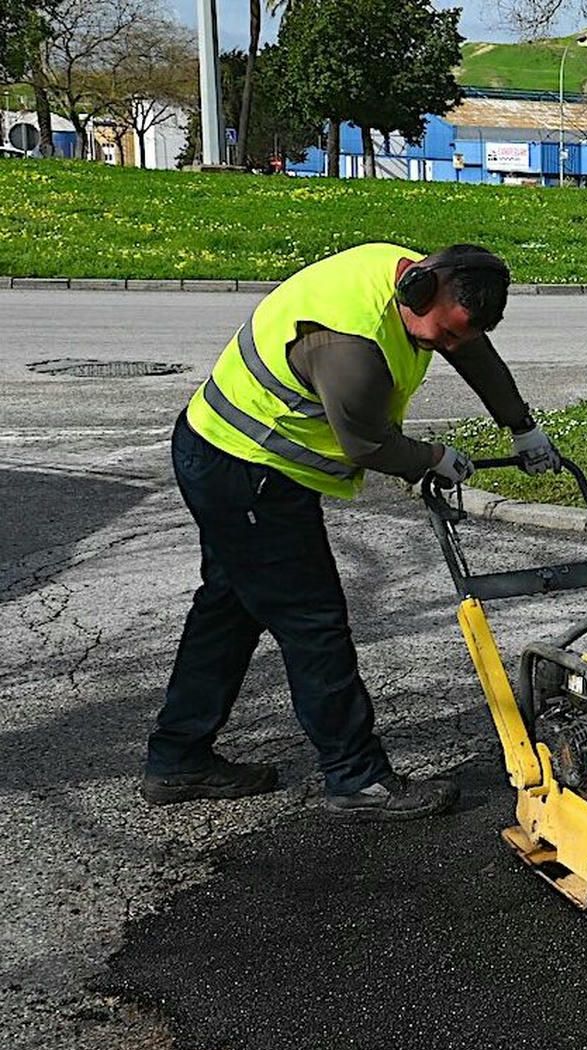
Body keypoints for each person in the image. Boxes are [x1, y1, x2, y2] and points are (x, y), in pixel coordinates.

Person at [140, 243, 562, 821]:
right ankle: (357, 778)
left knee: (229, 610)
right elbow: (365, 443)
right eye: (442, 335)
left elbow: (471, 350)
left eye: (457, 336)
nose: (446, 346)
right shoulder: (349, 345)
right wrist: (432, 458)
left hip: (231, 457)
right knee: (313, 624)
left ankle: (178, 758)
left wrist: (521, 425)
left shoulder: (421, 282)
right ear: (419, 290)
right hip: (246, 471)